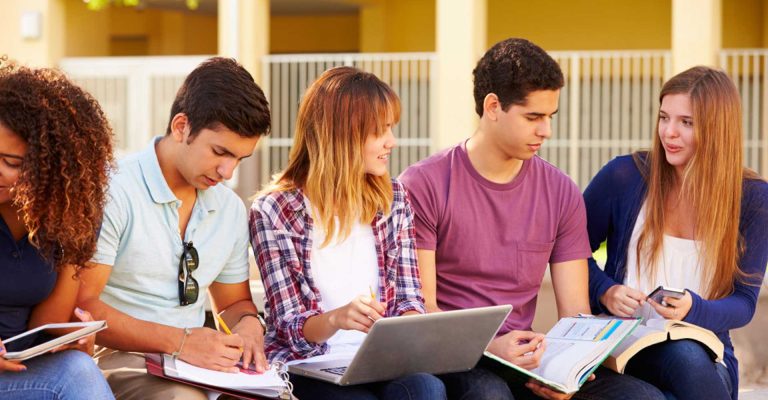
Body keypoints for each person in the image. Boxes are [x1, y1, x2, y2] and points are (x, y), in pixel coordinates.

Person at [399, 38, 665, 400]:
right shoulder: (425, 184)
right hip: (456, 359)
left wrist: (571, 368)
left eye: (550, 117)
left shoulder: (560, 191)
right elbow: (423, 310)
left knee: (642, 398)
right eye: (533, 117)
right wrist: (492, 348)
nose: (546, 131)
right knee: (489, 393)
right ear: (493, 106)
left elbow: (575, 315)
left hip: (527, 360)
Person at [76, 57, 272, 400]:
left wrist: (249, 325)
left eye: (240, 159)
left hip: (199, 364)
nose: (228, 172)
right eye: (220, 152)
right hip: (118, 358)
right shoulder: (112, 189)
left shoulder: (228, 208)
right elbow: (83, 307)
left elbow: (234, 302)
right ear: (181, 127)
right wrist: (181, 342)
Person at [250, 66, 447, 400]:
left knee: (426, 387)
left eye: (391, 128)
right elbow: (290, 327)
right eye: (380, 131)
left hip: (382, 360)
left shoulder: (393, 198)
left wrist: (410, 329)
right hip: (311, 362)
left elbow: (410, 299)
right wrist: (339, 318)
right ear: (341, 134)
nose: (391, 142)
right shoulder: (274, 211)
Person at [584, 66, 768, 400]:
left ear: (716, 129)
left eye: (686, 122)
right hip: (622, 348)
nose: (669, 132)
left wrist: (692, 309)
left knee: (683, 357)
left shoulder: (752, 198)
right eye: (664, 117)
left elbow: (744, 303)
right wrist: (605, 290)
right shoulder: (624, 176)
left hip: (706, 357)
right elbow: (570, 250)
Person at [0, 57, 115, 399]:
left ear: (49, 166)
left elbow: (41, 329)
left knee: (79, 370)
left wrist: (71, 337)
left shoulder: (70, 217)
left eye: (12, 163)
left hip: (14, 372)